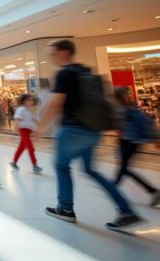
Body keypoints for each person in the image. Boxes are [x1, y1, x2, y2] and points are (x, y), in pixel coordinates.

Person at [36, 39, 141, 230]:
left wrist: (40, 126)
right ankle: (127, 210)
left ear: (63, 52)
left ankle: (65, 209)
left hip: (72, 130)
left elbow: (55, 103)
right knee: (90, 170)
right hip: (92, 130)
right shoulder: (86, 71)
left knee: (61, 167)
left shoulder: (64, 73)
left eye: (52, 53)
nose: (50, 57)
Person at [113, 87, 159, 207]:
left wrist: (155, 139)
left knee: (124, 168)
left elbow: (145, 124)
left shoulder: (131, 111)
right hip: (125, 141)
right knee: (124, 168)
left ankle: (112, 189)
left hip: (131, 143)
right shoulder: (122, 110)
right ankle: (152, 191)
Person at [10, 93, 42, 173]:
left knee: (21, 148)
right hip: (23, 130)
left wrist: (39, 126)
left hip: (29, 130)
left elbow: (35, 120)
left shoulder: (30, 110)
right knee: (30, 148)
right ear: (24, 101)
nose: (31, 101)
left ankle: (14, 162)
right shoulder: (21, 109)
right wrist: (15, 128)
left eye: (31, 100)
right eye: (29, 100)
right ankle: (35, 166)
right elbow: (17, 119)